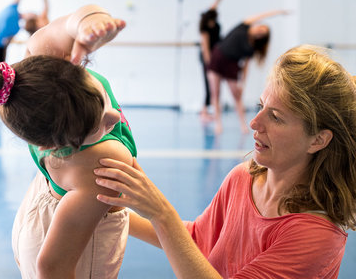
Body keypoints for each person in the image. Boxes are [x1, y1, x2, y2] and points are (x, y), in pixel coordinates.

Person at [95, 44, 356, 278]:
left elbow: (179, 237)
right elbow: (198, 240)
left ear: (318, 140)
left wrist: (162, 213)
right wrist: (110, 208)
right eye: (260, 106)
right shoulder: (244, 178)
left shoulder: (315, 235)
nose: (255, 123)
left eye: (276, 117)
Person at [0, 5, 136, 279]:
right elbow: (52, 268)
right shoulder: (95, 166)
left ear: (71, 66)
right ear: (55, 147)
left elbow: (63, 27)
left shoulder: (42, 83)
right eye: (99, 124)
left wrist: (87, 23)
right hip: (73, 254)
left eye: (101, 100)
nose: (114, 116)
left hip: (49, 210)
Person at [207, 9, 287, 134]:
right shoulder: (243, 27)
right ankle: (218, 124)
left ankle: (243, 124)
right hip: (218, 57)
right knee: (215, 93)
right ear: (257, 25)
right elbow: (259, 14)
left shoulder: (251, 47)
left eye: (263, 34)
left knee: (237, 96)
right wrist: (278, 12)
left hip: (232, 65)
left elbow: (245, 67)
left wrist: (242, 84)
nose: (259, 32)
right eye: (260, 28)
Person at [199, 0, 223, 122]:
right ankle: (204, 111)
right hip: (207, 59)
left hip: (216, 57)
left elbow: (212, 8)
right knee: (208, 85)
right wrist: (209, 65)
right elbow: (206, 49)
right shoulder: (205, 29)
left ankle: (212, 110)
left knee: (215, 87)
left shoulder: (213, 20)